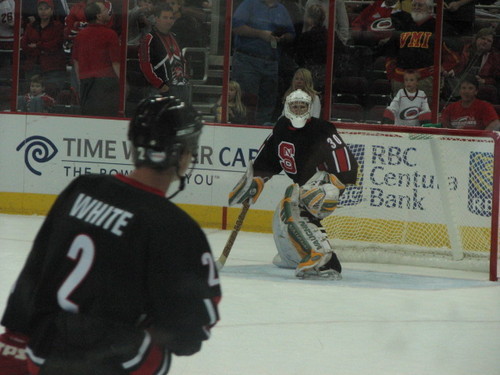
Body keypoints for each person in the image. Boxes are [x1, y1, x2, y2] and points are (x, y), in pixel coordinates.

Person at [0, 95, 221, 375]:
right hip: (116, 362)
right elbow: (189, 332)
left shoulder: (82, 188)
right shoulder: (177, 228)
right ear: (182, 154)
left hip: (44, 352)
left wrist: (15, 336)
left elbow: (38, 266)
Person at [228, 89, 358, 279]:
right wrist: (257, 179)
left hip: (326, 182)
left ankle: (325, 261)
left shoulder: (321, 128)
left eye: (302, 106)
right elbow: (269, 156)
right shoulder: (281, 128)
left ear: (309, 108)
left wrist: (337, 184)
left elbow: (342, 157)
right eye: (294, 106)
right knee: (281, 217)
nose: (298, 110)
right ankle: (294, 257)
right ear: (287, 107)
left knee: (294, 205)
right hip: (304, 185)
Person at [231, 0, 295, 125]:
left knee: (267, 102)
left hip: (271, 62)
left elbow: (291, 33)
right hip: (247, 60)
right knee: (246, 101)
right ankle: (242, 131)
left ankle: (262, 132)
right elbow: (236, 27)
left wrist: (283, 37)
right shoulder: (249, 4)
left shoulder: (281, 9)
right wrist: (260, 34)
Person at [382, 0, 459, 103]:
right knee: (401, 111)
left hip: (425, 78)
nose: (416, 7)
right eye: (414, 5)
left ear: (430, 9)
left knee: (424, 113)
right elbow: (391, 52)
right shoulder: (404, 24)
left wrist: (444, 67)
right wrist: (391, 75)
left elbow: (453, 53)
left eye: (420, 5)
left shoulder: (438, 26)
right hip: (401, 77)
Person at [72, 1, 120, 116]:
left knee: (88, 118)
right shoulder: (110, 34)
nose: (108, 11)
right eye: (104, 10)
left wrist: (81, 81)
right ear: (98, 16)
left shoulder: (80, 35)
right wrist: (124, 83)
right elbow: (116, 63)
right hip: (105, 84)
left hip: (86, 83)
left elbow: (76, 61)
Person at [139, 3, 191, 105]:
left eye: (171, 18)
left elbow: (182, 60)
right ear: (156, 18)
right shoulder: (148, 39)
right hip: (159, 90)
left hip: (180, 88)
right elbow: (145, 66)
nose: (169, 21)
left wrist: (186, 77)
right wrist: (160, 85)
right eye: (165, 17)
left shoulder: (176, 37)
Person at [21, 0, 67, 94]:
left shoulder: (58, 26)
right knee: (30, 94)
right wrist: (43, 47)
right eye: (40, 9)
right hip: (33, 65)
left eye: (46, 9)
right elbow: (24, 45)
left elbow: (55, 45)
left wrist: (37, 45)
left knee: (52, 93)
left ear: (52, 10)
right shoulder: (31, 26)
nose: (43, 11)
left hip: (52, 67)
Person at [443, 28, 500, 101]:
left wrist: (484, 81)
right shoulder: (464, 49)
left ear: (492, 44)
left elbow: (496, 79)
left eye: (489, 41)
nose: (485, 42)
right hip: (459, 79)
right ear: (476, 39)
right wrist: (452, 71)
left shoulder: (494, 57)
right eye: (483, 38)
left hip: (478, 83)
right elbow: (455, 64)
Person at [295, 4, 327, 94]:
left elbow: (299, 58)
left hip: (311, 77)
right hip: (327, 76)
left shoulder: (307, 37)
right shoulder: (330, 35)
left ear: (309, 19)